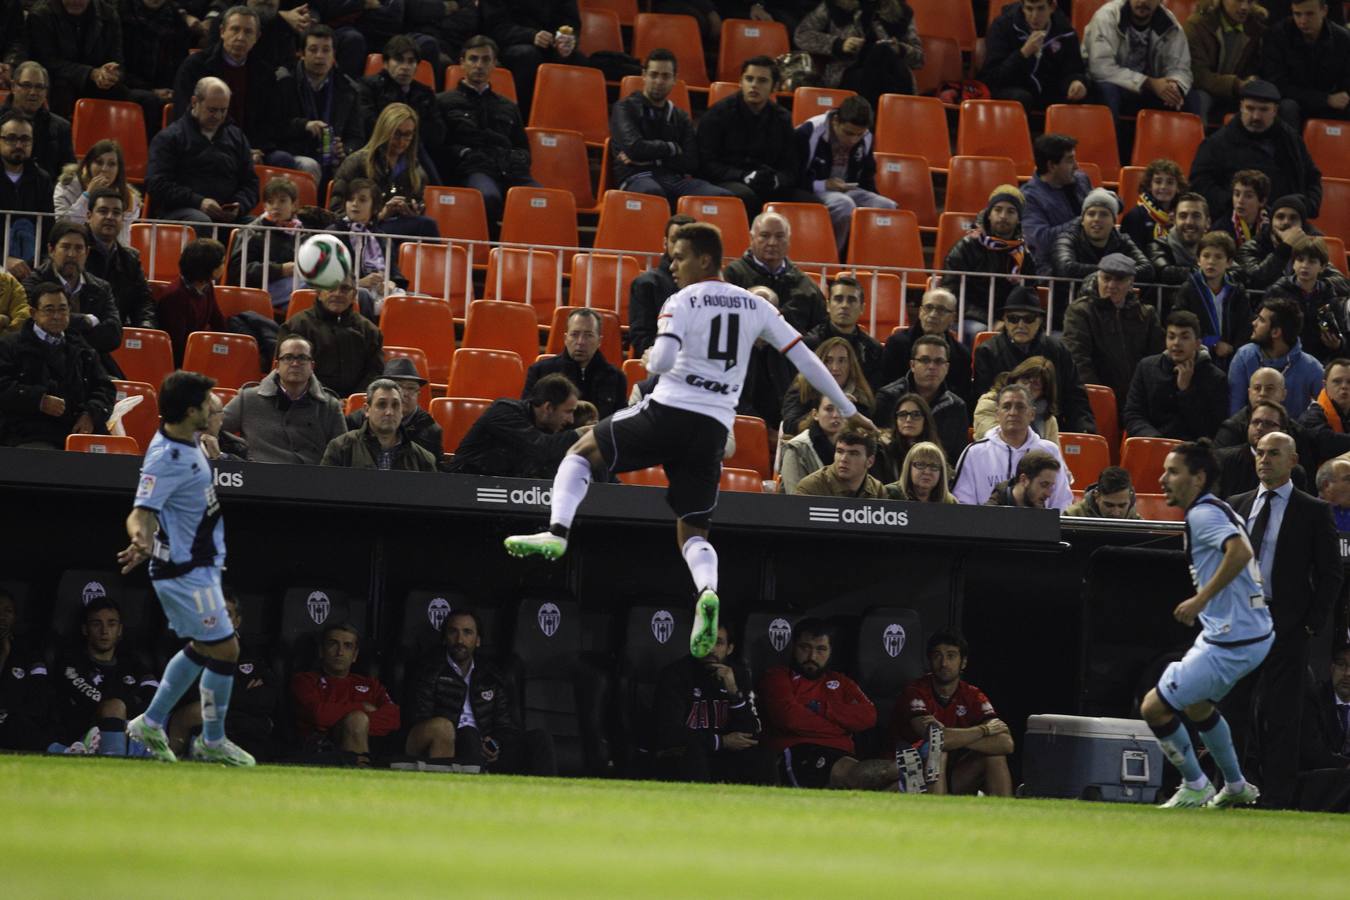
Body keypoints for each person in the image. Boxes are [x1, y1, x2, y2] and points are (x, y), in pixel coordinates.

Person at [504, 222, 876, 658]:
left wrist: (652, 358)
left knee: (581, 453)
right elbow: (806, 359)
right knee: (693, 530)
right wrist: (848, 408)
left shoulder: (681, 300)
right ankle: (706, 592)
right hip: (712, 429)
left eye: (679, 257)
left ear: (704, 259)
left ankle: (557, 532)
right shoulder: (756, 305)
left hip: (668, 411)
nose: (672, 265)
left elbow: (662, 358)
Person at [115, 370, 256, 766]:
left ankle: (151, 722)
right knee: (226, 649)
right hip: (183, 570)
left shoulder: (188, 438)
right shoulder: (166, 458)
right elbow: (141, 511)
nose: (215, 407)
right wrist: (140, 538)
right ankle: (211, 740)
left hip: (200, 564)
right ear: (191, 410)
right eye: (208, 402)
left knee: (205, 647)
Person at [1141, 439, 1271, 808]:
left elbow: (1240, 551)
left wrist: (1200, 600)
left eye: (1173, 472)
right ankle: (1235, 785)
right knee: (1197, 705)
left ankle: (1195, 784)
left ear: (1198, 478)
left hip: (1234, 638)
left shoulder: (1202, 514)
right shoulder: (1215, 508)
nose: (1163, 479)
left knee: (1153, 707)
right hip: (1243, 632)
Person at [1226, 430, 1344, 808]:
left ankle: (1277, 797)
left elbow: (1330, 573)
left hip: (1286, 624)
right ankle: (1232, 787)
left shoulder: (1313, 510)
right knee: (1233, 711)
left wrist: (1311, 624)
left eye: (1274, 453)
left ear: (1293, 461)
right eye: (1260, 453)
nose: (1264, 459)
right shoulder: (1236, 505)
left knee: (1283, 715)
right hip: (1240, 621)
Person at [759, 618, 935, 792]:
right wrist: (841, 728)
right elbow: (789, 718)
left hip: (842, 753)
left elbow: (869, 715)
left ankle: (907, 774)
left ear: (831, 652)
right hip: (800, 752)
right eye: (805, 648)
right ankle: (911, 766)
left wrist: (822, 709)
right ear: (794, 648)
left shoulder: (840, 681)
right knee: (849, 772)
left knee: (878, 781)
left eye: (821, 649)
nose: (812, 657)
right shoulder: (777, 677)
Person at [404, 609, 531, 773]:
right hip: (450, 742)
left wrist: (495, 744)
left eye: (467, 632)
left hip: (484, 746)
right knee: (469, 735)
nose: (460, 640)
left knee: (539, 740)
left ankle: (549, 788)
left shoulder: (491, 675)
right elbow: (419, 719)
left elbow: (505, 726)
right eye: (453, 632)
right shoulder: (428, 671)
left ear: (478, 640)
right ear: (444, 638)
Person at [892, 629, 1013, 797]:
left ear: (963, 663)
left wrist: (953, 739)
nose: (944, 663)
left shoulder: (973, 695)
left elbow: (1006, 743)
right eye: (937, 656)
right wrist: (983, 731)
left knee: (995, 754)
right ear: (929, 660)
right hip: (917, 774)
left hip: (957, 774)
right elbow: (934, 741)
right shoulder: (915, 691)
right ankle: (936, 809)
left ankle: (1004, 811)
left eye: (951, 656)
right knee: (937, 753)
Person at [696, 56, 819, 219]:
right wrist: (743, 176)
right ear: (741, 82)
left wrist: (777, 180)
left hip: (768, 181)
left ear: (774, 87)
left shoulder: (782, 118)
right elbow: (706, 164)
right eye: (749, 79)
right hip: (727, 180)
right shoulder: (717, 115)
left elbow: (791, 166)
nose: (754, 85)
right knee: (746, 196)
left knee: (810, 203)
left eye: (762, 81)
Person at [651, 624, 773, 785]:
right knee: (693, 754)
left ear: (729, 648)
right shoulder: (675, 674)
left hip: (723, 754)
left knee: (762, 755)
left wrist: (734, 692)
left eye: (718, 643)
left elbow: (750, 732)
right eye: (705, 642)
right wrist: (720, 741)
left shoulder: (739, 675)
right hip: (685, 754)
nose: (711, 649)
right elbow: (670, 731)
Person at [437, 35, 537, 229]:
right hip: (473, 170)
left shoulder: (508, 106)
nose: (479, 65)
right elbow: (439, 146)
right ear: (462, 63)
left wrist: (517, 159)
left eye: (485, 60)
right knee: (488, 197)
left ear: (494, 64)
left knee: (541, 199)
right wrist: (464, 154)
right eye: (473, 59)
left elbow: (523, 147)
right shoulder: (443, 102)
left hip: (510, 169)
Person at [166, 591, 278, 762]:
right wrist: (241, 694)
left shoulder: (254, 657)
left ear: (237, 621)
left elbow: (265, 700)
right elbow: (190, 698)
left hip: (245, 731)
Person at [1189, 80, 1324, 221]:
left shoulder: (1291, 140)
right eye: (1250, 108)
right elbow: (1200, 183)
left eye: (1264, 110)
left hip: (1287, 222)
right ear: (1241, 106)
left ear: (1275, 110)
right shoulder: (1217, 143)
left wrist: (1307, 205)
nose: (1256, 116)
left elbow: (1312, 177)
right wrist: (1235, 204)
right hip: (1233, 222)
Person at [0, 282, 115, 448]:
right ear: (33, 313)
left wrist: (91, 414)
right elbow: (3, 387)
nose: (57, 316)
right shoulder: (9, 346)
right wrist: (39, 400)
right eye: (49, 310)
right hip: (28, 433)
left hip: (78, 430)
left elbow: (105, 387)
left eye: (62, 309)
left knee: (112, 457)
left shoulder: (82, 347)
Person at [611, 49, 729, 207]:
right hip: (637, 176)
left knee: (722, 196)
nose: (659, 81)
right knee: (652, 192)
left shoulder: (680, 116)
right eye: (654, 75)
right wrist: (672, 148)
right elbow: (635, 149)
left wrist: (652, 158)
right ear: (644, 75)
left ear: (674, 79)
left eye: (665, 76)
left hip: (673, 179)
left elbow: (691, 162)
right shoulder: (624, 108)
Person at [971, 287, 1096, 433]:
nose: (1020, 325)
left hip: (1050, 426)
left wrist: (1084, 430)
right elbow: (984, 400)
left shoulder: (1058, 350)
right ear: (1004, 320)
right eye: (1013, 319)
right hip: (1002, 427)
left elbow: (1075, 397)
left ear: (1039, 321)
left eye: (1028, 319)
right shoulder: (988, 351)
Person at [39, 597, 153, 757]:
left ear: (120, 630)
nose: (104, 631)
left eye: (111, 624)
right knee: (114, 707)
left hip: (131, 731)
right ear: (85, 629)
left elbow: (154, 697)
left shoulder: (132, 664)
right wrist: (130, 704)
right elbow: (96, 701)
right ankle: (111, 765)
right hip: (85, 735)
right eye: (96, 624)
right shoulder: (71, 664)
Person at [1062, 252, 1165, 423]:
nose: (1111, 285)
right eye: (1106, 278)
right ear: (1098, 278)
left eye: (1119, 280)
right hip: (1094, 399)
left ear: (1131, 282)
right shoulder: (1080, 311)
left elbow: (1156, 359)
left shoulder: (1146, 315)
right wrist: (1099, 395)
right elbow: (1078, 359)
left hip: (1138, 400)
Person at [170, 5, 281, 161]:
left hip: (254, 148)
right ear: (222, 32)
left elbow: (269, 122)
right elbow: (187, 114)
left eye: (248, 32)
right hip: (204, 146)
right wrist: (236, 149)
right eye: (235, 29)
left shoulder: (265, 73)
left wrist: (255, 149)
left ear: (257, 37)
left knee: (284, 160)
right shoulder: (195, 66)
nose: (240, 37)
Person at [145, 76, 259, 226]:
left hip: (226, 215)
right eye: (212, 110)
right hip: (180, 212)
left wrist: (239, 205)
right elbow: (156, 184)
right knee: (201, 221)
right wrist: (198, 202)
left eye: (223, 110)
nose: (218, 116)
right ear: (194, 102)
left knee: (259, 228)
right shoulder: (169, 137)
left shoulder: (237, 137)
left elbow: (251, 184)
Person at [221, 335, 348, 464]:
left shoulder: (330, 405)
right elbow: (214, 428)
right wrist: (238, 453)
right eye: (288, 357)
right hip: (260, 473)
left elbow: (343, 452)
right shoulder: (248, 398)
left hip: (312, 474)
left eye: (302, 358)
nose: (295, 363)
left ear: (312, 366)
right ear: (277, 365)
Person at [794, 95, 896, 256]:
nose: (853, 140)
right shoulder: (810, 131)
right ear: (835, 121)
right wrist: (824, 184)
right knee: (844, 205)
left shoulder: (866, 136)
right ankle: (833, 258)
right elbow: (792, 176)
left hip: (847, 189)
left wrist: (873, 197)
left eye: (858, 135)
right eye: (848, 133)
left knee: (886, 206)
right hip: (812, 189)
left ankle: (864, 259)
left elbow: (867, 176)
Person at [291, 622, 400, 767]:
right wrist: (363, 708)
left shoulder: (370, 684)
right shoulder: (305, 680)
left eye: (347, 646)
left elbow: (394, 717)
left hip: (373, 745)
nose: (340, 652)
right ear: (321, 651)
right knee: (356, 720)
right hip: (323, 749)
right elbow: (318, 715)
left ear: (355, 655)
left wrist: (361, 723)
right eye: (333, 644)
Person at [328, 102, 438, 244]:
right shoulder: (357, 162)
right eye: (397, 134)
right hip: (363, 229)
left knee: (423, 227)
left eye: (407, 135)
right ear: (385, 131)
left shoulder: (415, 170)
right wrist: (379, 215)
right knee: (426, 226)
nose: (401, 141)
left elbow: (419, 204)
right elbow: (337, 211)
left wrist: (412, 212)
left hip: (396, 228)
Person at [940, 184, 1039, 338]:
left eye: (1011, 211)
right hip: (967, 316)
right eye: (998, 210)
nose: (1003, 216)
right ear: (989, 214)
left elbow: (1027, 296)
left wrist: (1009, 320)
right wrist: (991, 321)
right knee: (979, 331)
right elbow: (951, 293)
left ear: (1018, 219)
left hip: (1008, 320)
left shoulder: (1024, 255)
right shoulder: (966, 247)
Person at [953, 382, 1072, 508]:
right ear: (997, 414)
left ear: (1032, 414)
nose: (1013, 412)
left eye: (1020, 407)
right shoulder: (974, 453)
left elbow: (1062, 502)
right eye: (1006, 407)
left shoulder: (1050, 451)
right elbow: (963, 503)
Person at [272, 24, 364, 185]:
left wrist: (345, 150)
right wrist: (304, 125)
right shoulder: (284, 81)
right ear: (301, 54)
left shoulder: (348, 88)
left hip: (330, 156)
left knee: (356, 166)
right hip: (294, 152)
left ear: (334, 55)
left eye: (326, 50)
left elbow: (356, 136)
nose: (320, 56)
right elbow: (272, 127)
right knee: (310, 165)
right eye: (313, 50)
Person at [446, 373, 585, 478]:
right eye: (568, 412)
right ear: (548, 407)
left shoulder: (547, 429)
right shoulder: (504, 411)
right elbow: (540, 447)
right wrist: (580, 434)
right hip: (462, 486)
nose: (571, 420)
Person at [792, 0, 924, 108]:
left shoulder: (901, 11)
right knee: (880, 60)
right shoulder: (836, 5)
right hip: (850, 70)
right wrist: (838, 44)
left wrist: (901, 49)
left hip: (893, 73)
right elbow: (802, 35)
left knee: (883, 52)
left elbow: (919, 58)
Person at [1083, 0, 1202, 118]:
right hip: (1117, 84)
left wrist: (1174, 84)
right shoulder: (1108, 16)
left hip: (1150, 90)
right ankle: (1111, 131)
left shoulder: (1170, 25)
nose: (1143, 1)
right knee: (1106, 89)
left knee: (1188, 97)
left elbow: (1180, 68)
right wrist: (1147, 82)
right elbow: (1100, 68)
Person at [1123, 310, 1229, 440]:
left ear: (1197, 343)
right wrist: (1155, 440)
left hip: (1192, 448)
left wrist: (1186, 391)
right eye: (1171, 337)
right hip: (1151, 443)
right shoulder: (1146, 368)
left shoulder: (1216, 378)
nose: (1176, 343)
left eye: (1184, 337)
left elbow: (1211, 430)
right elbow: (1133, 414)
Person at [276, 273, 385, 399]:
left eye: (345, 289)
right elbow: (289, 370)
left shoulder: (370, 331)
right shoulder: (296, 327)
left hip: (357, 405)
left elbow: (374, 373)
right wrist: (327, 401)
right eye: (330, 288)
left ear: (354, 294)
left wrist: (353, 400)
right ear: (319, 292)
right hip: (307, 401)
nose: (338, 294)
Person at [723, 211, 829, 335]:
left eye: (779, 236)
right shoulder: (732, 276)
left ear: (788, 240)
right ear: (751, 238)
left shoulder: (805, 285)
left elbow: (821, 329)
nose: (772, 242)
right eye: (765, 235)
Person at [1050, 189, 1154, 311]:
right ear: (1082, 220)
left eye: (1104, 214)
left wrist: (1107, 274)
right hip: (1068, 309)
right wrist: (1113, 273)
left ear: (1114, 221)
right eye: (1091, 214)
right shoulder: (1067, 239)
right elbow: (1065, 268)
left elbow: (1147, 269)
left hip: (1113, 312)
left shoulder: (1123, 240)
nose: (1096, 219)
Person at [872, 334, 969, 465]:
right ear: (912, 365)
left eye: (939, 361)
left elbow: (958, 458)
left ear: (947, 368)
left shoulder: (956, 406)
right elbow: (878, 449)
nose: (932, 366)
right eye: (925, 360)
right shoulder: (888, 397)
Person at [979, 0, 1089, 112]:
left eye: (1041, 8)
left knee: (1083, 94)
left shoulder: (1065, 32)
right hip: (1011, 87)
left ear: (1052, 7)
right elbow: (993, 78)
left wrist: (1075, 82)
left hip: (1048, 89)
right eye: (1029, 9)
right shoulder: (1003, 26)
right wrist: (1023, 53)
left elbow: (1073, 69)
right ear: (1023, 7)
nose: (1034, 16)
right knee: (1021, 98)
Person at [522, 308, 626, 420]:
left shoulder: (616, 377)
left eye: (588, 335)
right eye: (574, 334)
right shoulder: (540, 371)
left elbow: (620, 422)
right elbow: (526, 416)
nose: (580, 342)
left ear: (599, 341)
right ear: (565, 338)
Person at [1228, 297, 1323, 417]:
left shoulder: (1312, 368)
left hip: (1294, 428)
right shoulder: (1244, 356)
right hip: (1249, 428)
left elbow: (1326, 411)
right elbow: (1235, 410)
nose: (1254, 323)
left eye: (1261, 320)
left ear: (1275, 332)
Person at [1171, 230, 1251, 371]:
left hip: (1232, 356)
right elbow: (1181, 323)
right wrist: (1212, 343)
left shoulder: (1237, 291)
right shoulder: (1189, 289)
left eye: (1218, 257)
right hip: (1197, 357)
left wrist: (1232, 347)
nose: (1211, 262)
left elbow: (1245, 325)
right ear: (1198, 260)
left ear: (1229, 262)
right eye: (1206, 256)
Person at [1261, 0, 1350, 125]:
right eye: (1297, 14)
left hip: (1327, 100)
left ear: (1324, 11)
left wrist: (1338, 98)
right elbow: (1277, 85)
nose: (1303, 21)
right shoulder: (1277, 35)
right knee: (1287, 107)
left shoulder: (1343, 39)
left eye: (1310, 14)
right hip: (1293, 100)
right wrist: (1324, 99)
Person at [227, 176, 310, 309]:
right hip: (257, 291)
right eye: (270, 202)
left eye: (282, 201)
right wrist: (280, 270)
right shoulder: (251, 232)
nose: (276, 206)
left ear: (294, 205)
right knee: (308, 289)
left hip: (290, 288)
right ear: (265, 206)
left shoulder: (302, 232)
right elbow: (238, 271)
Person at [1265, 236, 1350, 366]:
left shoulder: (1329, 295)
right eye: (1300, 260)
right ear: (1293, 264)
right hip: (1284, 358)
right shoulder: (1278, 291)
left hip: (1322, 360)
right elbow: (1264, 329)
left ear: (1322, 267)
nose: (1304, 266)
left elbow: (1342, 333)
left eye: (1312, 262)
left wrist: (1338, 345)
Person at [358, 34, 443, 163]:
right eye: (399, 60)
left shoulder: (425, 93)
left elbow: (437, 133)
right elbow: (368, 125)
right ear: (386, 63)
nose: (405, 67)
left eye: (411, 61)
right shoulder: (368, 87)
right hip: (377, 151)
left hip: (416, 152)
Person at [321, 378, 437, 471]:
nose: (389, 412)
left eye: (395, 405)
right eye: (382, 405)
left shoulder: (424, 459)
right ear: (367, 410)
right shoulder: (340, 448)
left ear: (401, 411)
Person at [82, 187, 157, 332]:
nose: (110, 217)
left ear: (123, 219)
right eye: (103, 211)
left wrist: (145, 327)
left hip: (116, 334)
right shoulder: (74, 251)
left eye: (116, 213)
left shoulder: (130, 258)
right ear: (89, 216)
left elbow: (143, 301)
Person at [880, 287, 972, 403]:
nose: (933, 315)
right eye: (928, 308)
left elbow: (963, 398)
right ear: (920, 312)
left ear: (952, 318)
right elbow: (887, 388)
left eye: (941, 310)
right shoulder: (897, 344)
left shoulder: (961, 354)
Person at [1185, 0, 1270, 124]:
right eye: (1238, 1)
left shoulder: (1255, 27)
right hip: (1204, 89)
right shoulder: (1198, 25)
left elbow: (1254, 68)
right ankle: (1197, 136)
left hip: (1237, 91)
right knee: (1200, 99)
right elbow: (1198, 75)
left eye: (1249, 1)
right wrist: (1235, 84)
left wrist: (1251, 80)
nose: (1244, 7)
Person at [346, 357, 442, 460]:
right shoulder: (355, 421)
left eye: (411, 388)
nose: (404, 393)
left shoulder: (430, 430)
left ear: (418, 393)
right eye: (397, 387)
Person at [1214, 399, 1309, 498]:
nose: (1259, 428)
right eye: (1255, 422)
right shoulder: (1223, 460)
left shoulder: (1293, 471)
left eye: (1268, 423)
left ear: (1282, 431)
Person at [52, 139, 142, 244]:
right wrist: (87, 196)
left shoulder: (128, 197)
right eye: (99, 162)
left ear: (119, 170)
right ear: (88, 165)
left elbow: (122, 241)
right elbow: (63, 227)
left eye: (111, 164)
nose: (104, 169)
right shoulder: (68, 186)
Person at [630, 214, 696, 356]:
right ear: (665, 243)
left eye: (686, 241)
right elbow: (642, 340)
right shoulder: (646, 284)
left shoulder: (706, 286)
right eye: (675, 240)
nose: (679, 246)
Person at [780, 336, 875, 435]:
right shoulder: (802, 388)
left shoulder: (861, 396)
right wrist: (823, 410)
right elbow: (789, 426)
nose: (835, 368)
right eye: (828, 361)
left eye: (842, 360)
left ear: (850, 365)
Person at [804, 274, 884, 389]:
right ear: (828, 306)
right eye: (838, 299)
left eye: (851, 300)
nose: (845, 305)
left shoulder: (873, 350)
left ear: (862, 308)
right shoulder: (809, 345)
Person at [157, 238, 228, 367]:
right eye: (222, 263)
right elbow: (177, 345)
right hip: (179, 362)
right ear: (208, 268)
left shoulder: (206, 286)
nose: (224, 266)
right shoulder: (174, 297)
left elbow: (218, 321)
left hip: (196, 352)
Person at [0, 116, 55, 281]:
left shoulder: (42, 179)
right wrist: (3, 259)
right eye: (11, 138)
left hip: (31, 268)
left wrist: (37, 265)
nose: (18, 145)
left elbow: (48, 230)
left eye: (25, 139)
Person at [0, 61, 74, 180]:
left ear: (46, 91)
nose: (33, 92)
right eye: (26, 85)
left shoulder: (62, 127)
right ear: (13, 87)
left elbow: (68, 174)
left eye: (39, 87)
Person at [1216, 367, 1312, 457]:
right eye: (1257, 388)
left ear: (1283, 394)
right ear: (1249, 393)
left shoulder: (1298, 433)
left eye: (1269, 388)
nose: (1262, 393)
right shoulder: (1232, 429)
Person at [1236, 193, 1322, 291]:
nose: (1286, 222)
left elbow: (1335, 280)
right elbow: (1253, 281)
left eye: (1293, 218)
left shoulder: (1313, 246)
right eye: (1280, 217)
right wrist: (1284, 248)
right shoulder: (1251, 247)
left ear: (1302, 225)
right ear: (1271, 221)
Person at [971, 354, 1060, 444]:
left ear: (1043, 392)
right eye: (1024, 381)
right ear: (1015, 379)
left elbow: (1053, 451)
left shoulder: (1048, 420)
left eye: (1036, 384)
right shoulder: (988, 404)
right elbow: (995, 441)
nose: (1027, 388)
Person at [1147, 192, 1212, 305]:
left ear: (1207, 222)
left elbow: (1236, 272)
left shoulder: (1214, 248)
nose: (1189, 222)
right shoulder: (1158, 246)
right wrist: (1211, 273)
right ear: (1173, 220)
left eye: (1196, 216)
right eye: (1183, 216)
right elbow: (1165, 272)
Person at [778, 393, 848, 494]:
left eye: (841, 409)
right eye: (829, 409)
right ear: (815, 414)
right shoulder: (796, 448)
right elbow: (794, 497)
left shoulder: (855, 447)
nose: (836, 415)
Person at [794, 427, 887, 498]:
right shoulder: (811, 488)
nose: (843, 459)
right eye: (840, 451)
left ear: (870, 461)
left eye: (853, 453)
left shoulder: (877, 490)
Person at [1120, 158, 1186, 254]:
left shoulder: (1182, 216)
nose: (1163, 187)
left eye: (1170, 182)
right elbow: (1132, 255)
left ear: (1178, 187)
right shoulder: (1135, 216)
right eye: (1158, 182)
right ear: (1149, 186)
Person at [872, 392, 941, 483]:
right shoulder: (882, 451)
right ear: (896, 420)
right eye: (903, 414)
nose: (908, 420)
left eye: (916, 415)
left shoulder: (936, 453)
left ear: (926, 420)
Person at [1299, 357, 1350, 469]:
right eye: (1337, 381)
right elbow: (1327, 444)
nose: (1344, 386)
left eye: (1349, 382)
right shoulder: (1311, 417)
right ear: (1324, 385)